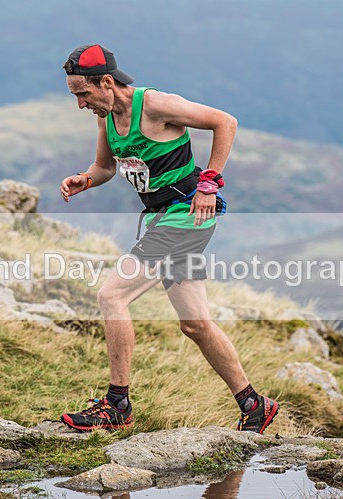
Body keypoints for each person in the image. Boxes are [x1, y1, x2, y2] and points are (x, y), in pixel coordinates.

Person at [58, 44, 278, 433]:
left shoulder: (156, 105)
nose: (80, 104)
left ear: (106, 82)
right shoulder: (107, 117)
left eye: (83, 94)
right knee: (195, 324)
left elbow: (225, 121)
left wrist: (210, 181)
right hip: (161, 219)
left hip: (187, 215)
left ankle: (117, 405)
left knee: (112, 296)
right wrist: (86, 179)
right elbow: (106, 166)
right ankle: (254, 404)